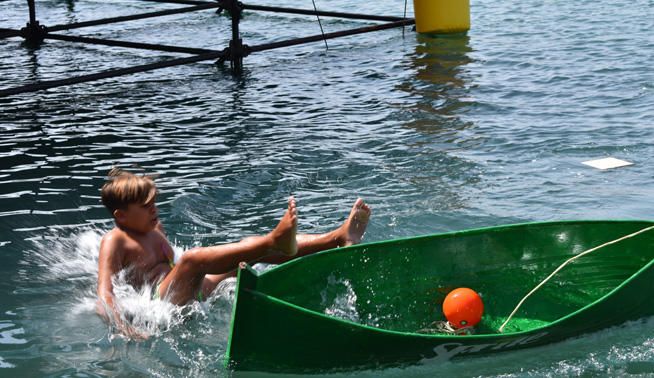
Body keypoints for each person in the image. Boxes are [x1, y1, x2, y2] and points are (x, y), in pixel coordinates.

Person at [96, 168, 371, 338]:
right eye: (146, 207)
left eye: (154, 203)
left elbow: (174, 268)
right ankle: (274, 239)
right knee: (193, 258)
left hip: (197, 289)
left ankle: (336, 238)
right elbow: (104, 295)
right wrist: (124, 327)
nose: (154, 210)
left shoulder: (154, 227)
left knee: (244, 248)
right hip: (163, 304)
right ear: (121, 216)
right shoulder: (115, 241)